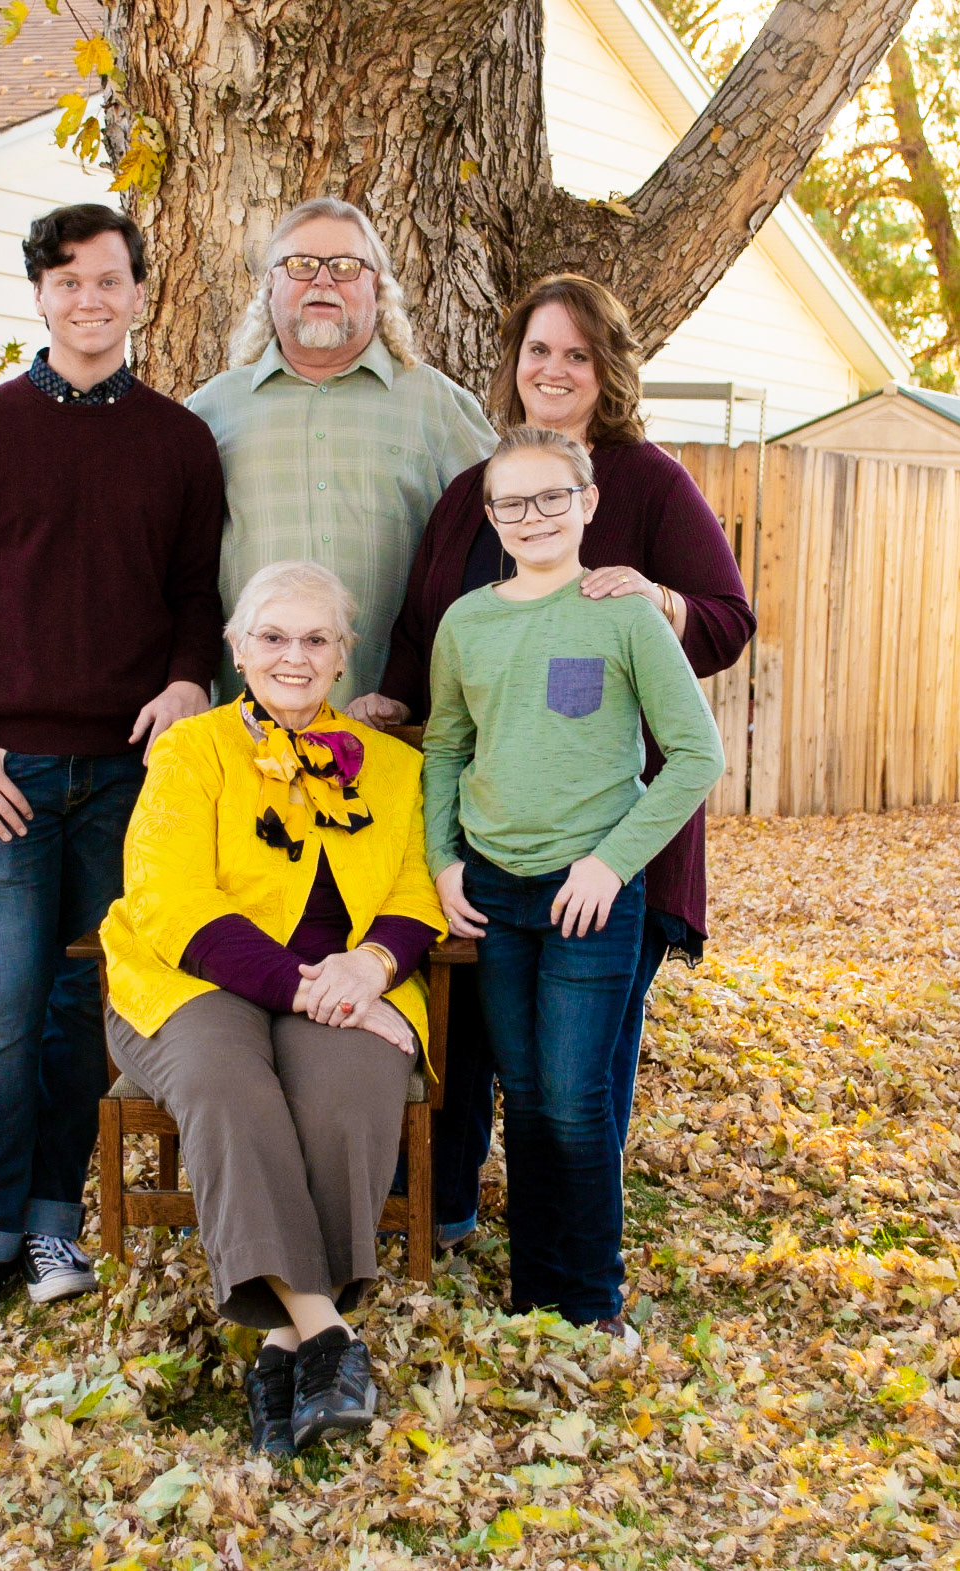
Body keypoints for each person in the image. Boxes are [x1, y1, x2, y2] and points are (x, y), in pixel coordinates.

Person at [351, 274, 756, 1247]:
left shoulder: (648, 483)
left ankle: (576, 1250)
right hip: (487, 830)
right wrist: (395, 698)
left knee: (582, 1066)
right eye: (539, 349)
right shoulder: (472, 492)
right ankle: (448, 1211)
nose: (555, 369)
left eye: (578, 353)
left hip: (611, 829)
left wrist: (658, 600)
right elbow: (424, 629)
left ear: (607, 369)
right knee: (472, 1032)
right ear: (514, 364)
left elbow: (727, 618)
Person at [0, 203, 225, 1330]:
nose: (90, 299)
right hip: (3, 777)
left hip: (128, 777)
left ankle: (50, 1221)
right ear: (39, 294)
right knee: (0, 1003)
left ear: (139, 293)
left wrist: (186, 678)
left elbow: (195, 595)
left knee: (85, 1003)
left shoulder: (179, 442)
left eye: (110, 279)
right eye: (69, 280)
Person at [100, 561, 445, 1456]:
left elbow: (415, 888)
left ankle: (280, 1350)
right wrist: (304, 986)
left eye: (316, 638)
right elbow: (170, 899)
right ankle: (326, 1331)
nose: (295, 655)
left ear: (344, 654)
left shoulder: (395, 767)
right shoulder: (190, 749)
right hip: (193, 979)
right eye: (273, 636)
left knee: (348, 1094)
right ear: (236, 649)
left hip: (350, 984)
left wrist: (369, 965)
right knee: (226, 1083)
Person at [423, 426, 724, 1328]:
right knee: (522, 1097)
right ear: (490, 516)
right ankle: (535, 1295)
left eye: (552, 496)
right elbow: (445, 748)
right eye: (512, 502)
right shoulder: (466, 623)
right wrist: (443, 859)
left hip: (588, 893)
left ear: (586, 502)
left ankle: (593, 1304)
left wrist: (609, 863)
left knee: (573, 1100)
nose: (534, 516)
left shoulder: (621, 614)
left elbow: (696, 755)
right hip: (493, 889)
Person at [185, 196, 496, 703]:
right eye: (301, 264)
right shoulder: (211, 411)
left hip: (398, 715)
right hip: (247, 725)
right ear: (270, 285)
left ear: (377, 285)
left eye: (347, 266)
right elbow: (178, 573)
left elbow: (506, 539)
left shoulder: (438, 406)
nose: (323, 280)